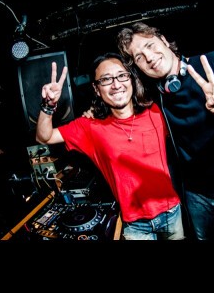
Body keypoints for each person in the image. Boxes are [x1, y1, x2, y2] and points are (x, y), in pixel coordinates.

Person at [116, 22, 214, 241]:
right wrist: (94, 111)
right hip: (196, 196)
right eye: (139, 57)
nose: (148, 57)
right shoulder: (154, 96)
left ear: (164, 40)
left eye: (150, 45)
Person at [36, 52, 184, 240]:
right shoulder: (90, 127)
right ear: (96, 89)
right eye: (106, 79)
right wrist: (48, 105)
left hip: (172, 213)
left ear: (131, 80)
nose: (116, 84)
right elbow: (44, 137)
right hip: (135, 226)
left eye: (122, 75)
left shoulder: (155, 111)